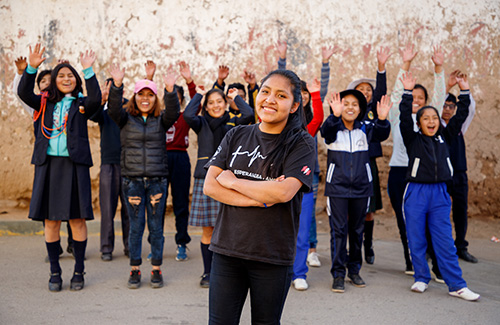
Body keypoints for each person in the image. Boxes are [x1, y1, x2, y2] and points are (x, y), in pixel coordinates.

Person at [204, 69, 316, 324]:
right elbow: (211, 186)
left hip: (272, 256)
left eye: (280, 95)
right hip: (226, 251)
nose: (269, 100)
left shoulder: (302, 144)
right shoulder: (236, 135)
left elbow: (284, 191)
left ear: (294, 104)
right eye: (265, 92)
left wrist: (233, 181)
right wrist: (262, 197)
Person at [18, 43, 102, 292]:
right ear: (53, 81)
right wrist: (31, 68)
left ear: (77, 81)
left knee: (77, 220)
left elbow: (97, 99)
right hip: (48, 166)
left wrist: (88, 70)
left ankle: (78, 270)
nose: (66, 79)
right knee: (51, 221)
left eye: (71, 76)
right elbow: (23, 92)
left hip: (75, 166)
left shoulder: (82, 104)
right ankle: (55, 271)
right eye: (61, 76)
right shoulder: (44, 103)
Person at [399, 71, 480, 301]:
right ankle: (421, 277)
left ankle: (456, 284)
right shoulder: (412, 138)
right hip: (416, 192)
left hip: (440, 194)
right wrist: (407, 92)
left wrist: (464, 91)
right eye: (426, 119)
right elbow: (404, 117)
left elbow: (461, 113)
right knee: (416, 238)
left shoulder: (447, 135)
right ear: (419, 123)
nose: (432, 121)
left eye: (434, 118)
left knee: (444, 239)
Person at [107, 63, 180, 289]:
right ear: (135, 97)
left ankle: (156, 269)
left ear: (155, 98)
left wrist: (169, 89)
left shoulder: (162, 120)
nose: (145, 99)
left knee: (156, 227)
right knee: (136, 227)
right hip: (133, 181)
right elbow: (112, 109)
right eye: (141, 95)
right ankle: (135, 269)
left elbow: (175, 112)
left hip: (157, 180)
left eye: (150, 95)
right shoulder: (125, 119)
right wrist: (117, 85)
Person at [184, 79, 254, 288]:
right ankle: (208, 272)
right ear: (206, 106)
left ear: (225, 103)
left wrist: (236, 98)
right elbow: (188, 115)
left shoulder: (233, 122)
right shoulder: (201, 123)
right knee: (208, 230)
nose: (216, 106)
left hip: (229, 180)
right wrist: (199, 95)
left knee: (231, 229)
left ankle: (228, 273)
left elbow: (249, 115)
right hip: (205, 179)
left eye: (219, 102)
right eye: (211, 103)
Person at [321, 90, 391, 293]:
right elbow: (325, 131)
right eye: (346, 103)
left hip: (362, 188)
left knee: (357, 231)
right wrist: (334, 115)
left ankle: (354, 270)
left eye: (355, 104)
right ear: (338, 106)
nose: (350, 107)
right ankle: (338, 274)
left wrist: (382, 118)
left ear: (360, 109)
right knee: (339, 231)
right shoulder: (333, 128)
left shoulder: (366, 128)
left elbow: (382, 133)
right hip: (337, 188)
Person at [387, 43, 447, 275]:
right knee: (406, 223)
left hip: (424, 178)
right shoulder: (397, 117)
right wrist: (406, 64)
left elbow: (440, 97)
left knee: (431, 224)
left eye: (421, 97)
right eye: (412, 95)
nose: (416, 99)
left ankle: (438, 266)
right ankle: (412, 261)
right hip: (399, 174)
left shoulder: (431, 121)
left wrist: (439, 68)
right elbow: (395, 94)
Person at [346, 46, 391, 264]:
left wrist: (381, 68)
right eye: (361, 89)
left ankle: (368, 246)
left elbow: (382, 94)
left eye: (368, 89)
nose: (366, 92)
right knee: (349, 211)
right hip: (349, 164)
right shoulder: (350, 112)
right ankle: (350, 249)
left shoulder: (374, 111)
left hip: (368, 165)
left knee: (369, 210)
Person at [90, 78, 130, 261]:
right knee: (107, 208)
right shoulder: (102, 109)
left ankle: (130, 245)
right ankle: (106, 248)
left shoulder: (129, 107)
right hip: (108, 163)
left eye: (116, 87)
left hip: (129, 164)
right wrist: (101, 100)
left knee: (130, 208)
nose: (112, 90)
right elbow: (91, 115)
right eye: (109, 87)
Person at [441, 70, 478, 263]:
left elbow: (470, 109)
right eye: (444, 105)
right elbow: (434, 103)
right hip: (440, 175)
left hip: (459, 174)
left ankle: (461, 246)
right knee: (439, 211)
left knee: (460, 211)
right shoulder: (434, 127)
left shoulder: (458, 126)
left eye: (451, 106)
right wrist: (446, 87)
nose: (447, 109)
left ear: (455, 108)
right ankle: (437, 247)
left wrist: (464, 88)